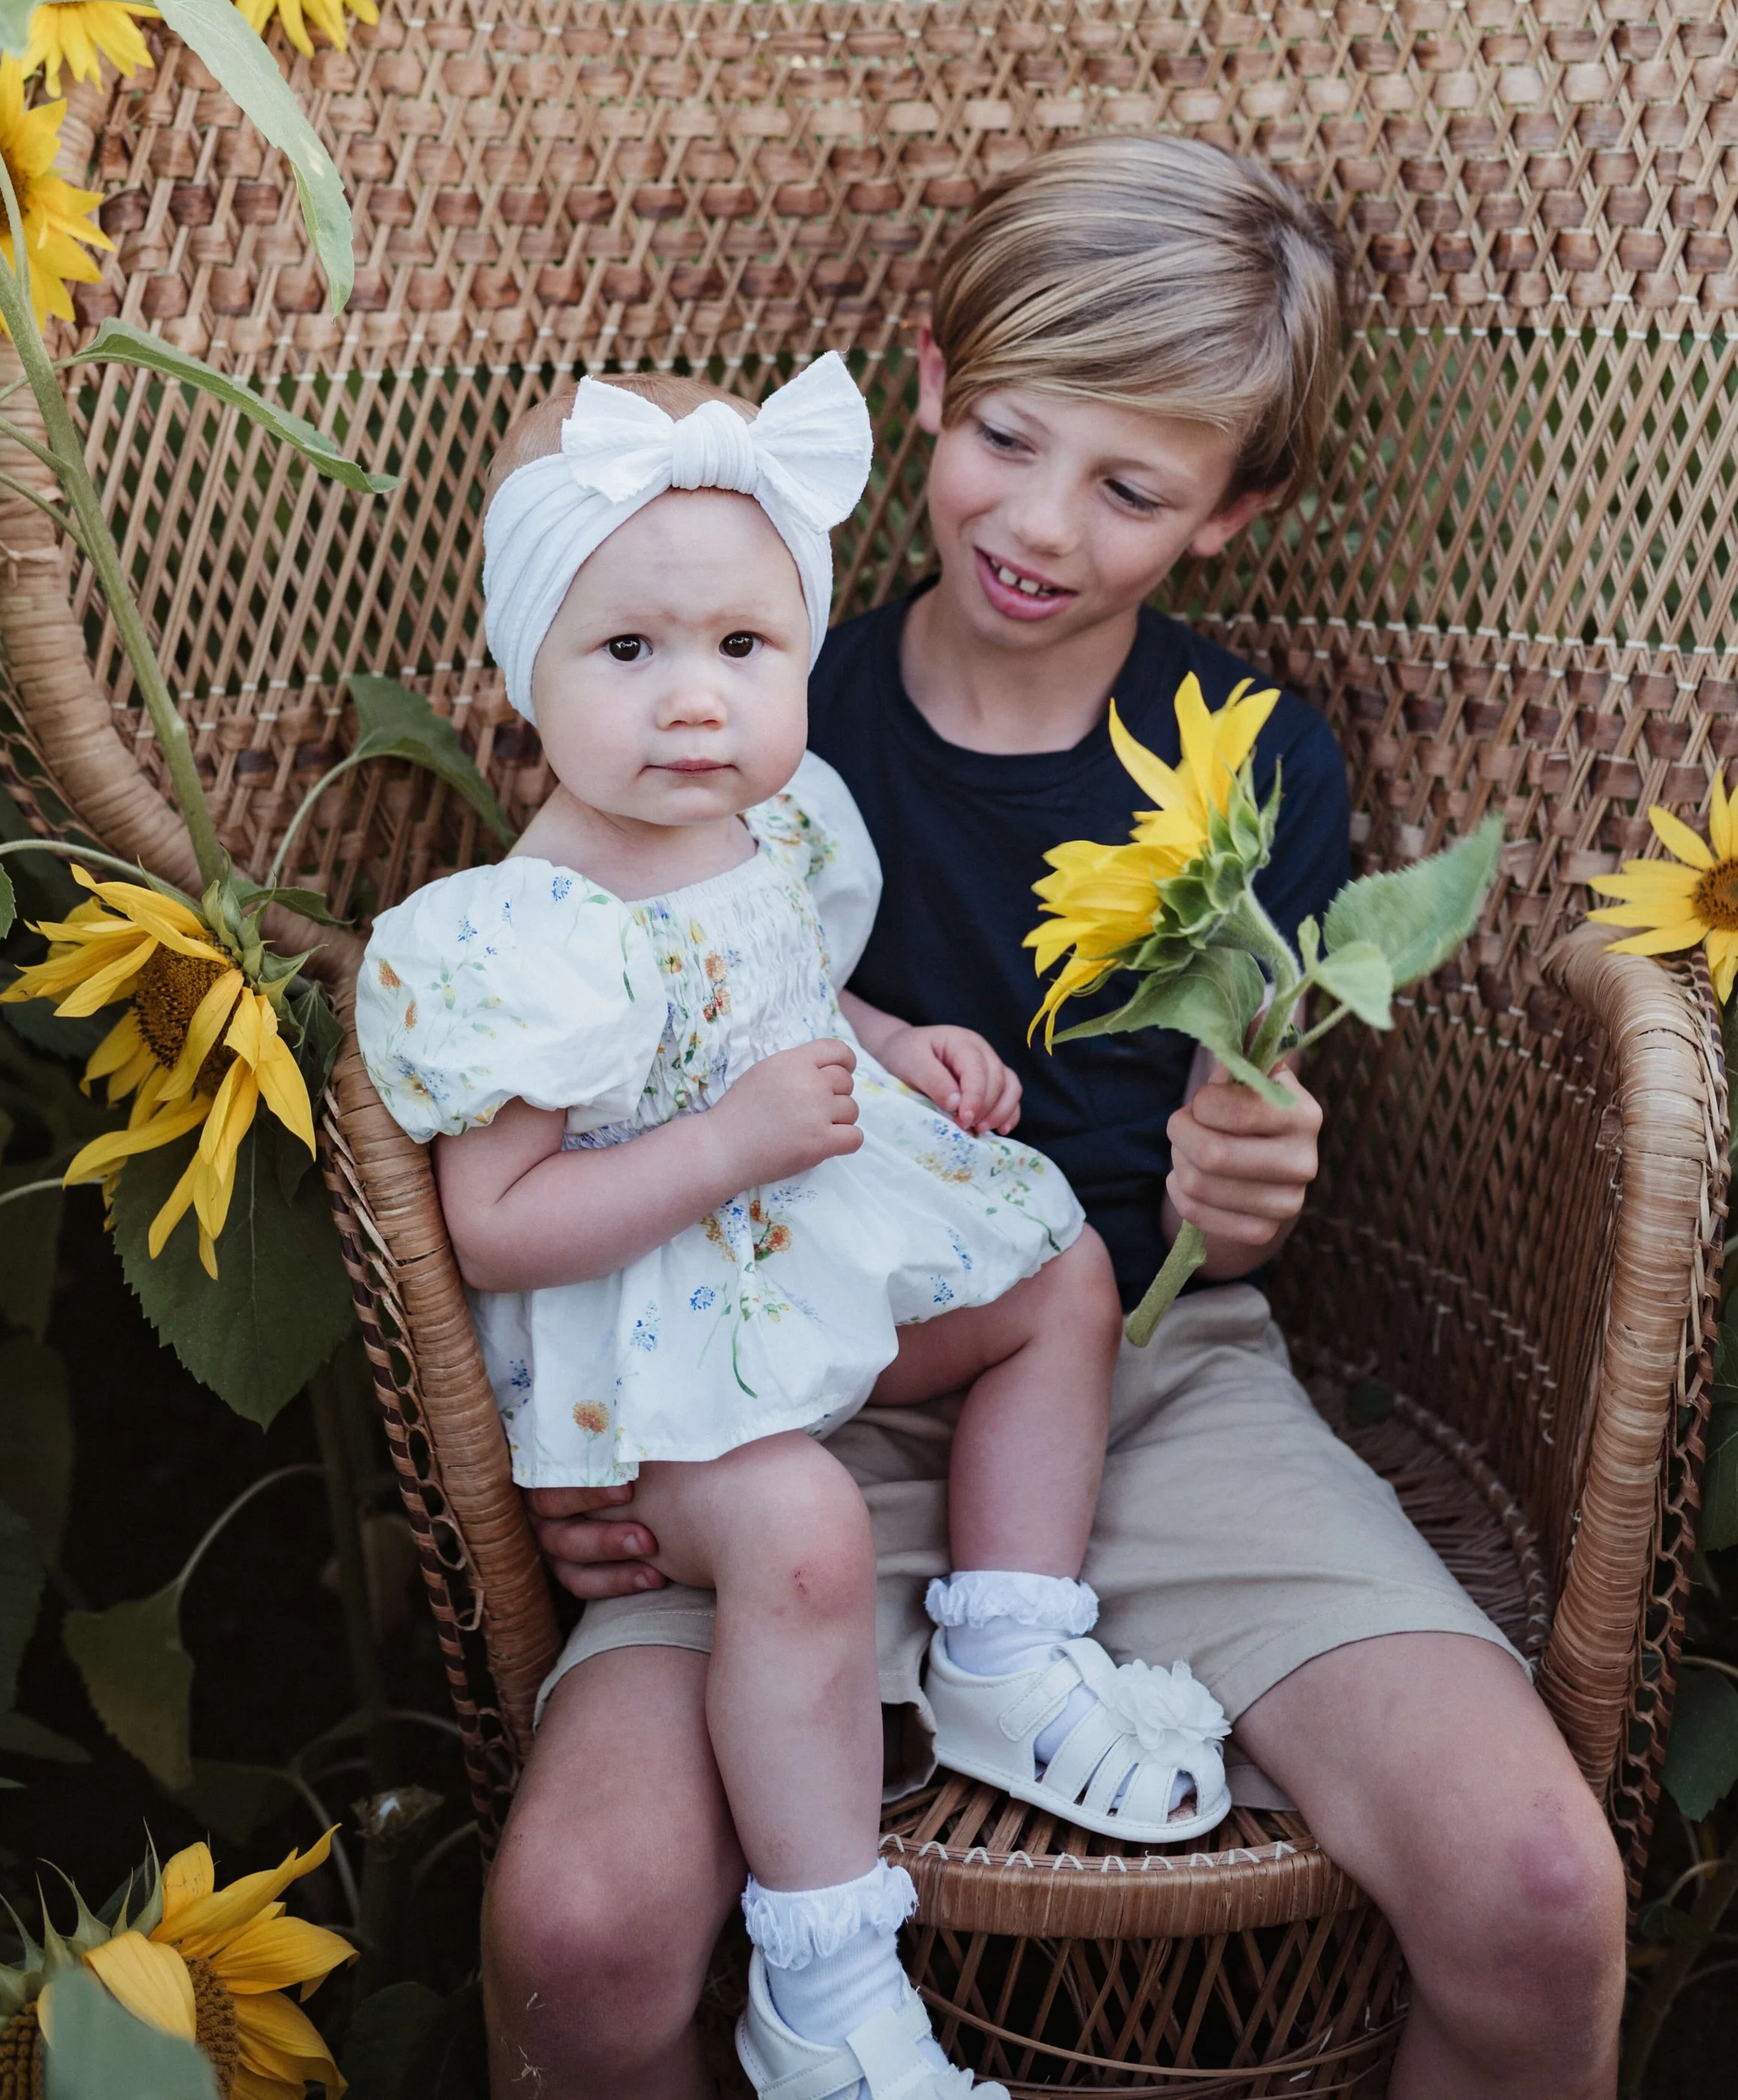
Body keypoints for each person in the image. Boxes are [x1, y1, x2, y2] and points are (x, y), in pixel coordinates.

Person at [491, 138, 1629, 2100]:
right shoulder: (750, 708)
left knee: (1535, 1886)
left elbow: (1225, 1147)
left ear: (1229, 509)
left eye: (1130, 484)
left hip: (1144, 1374)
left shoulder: (1248, 757)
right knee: (577, 1936)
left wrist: (1250, 1178)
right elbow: (564, 1045)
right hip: (764, 1395)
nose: (1036, 521)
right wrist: (583, 1420)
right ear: (926, 378)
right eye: (1007, 434)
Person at [356, 350, 1235, 2100]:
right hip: (656, 1370)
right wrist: (732, 1144)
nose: (694, 703)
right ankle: (827, 1976)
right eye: (629, 652)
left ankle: (1003, 1634)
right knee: (809, 1535)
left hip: (795, 1266)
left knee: (1061, 1271)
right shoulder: (531, 936)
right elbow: (497, 1229)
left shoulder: (770, 828)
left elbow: (786, 995)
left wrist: (894, 1046)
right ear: (522, 671)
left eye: (742, 651)